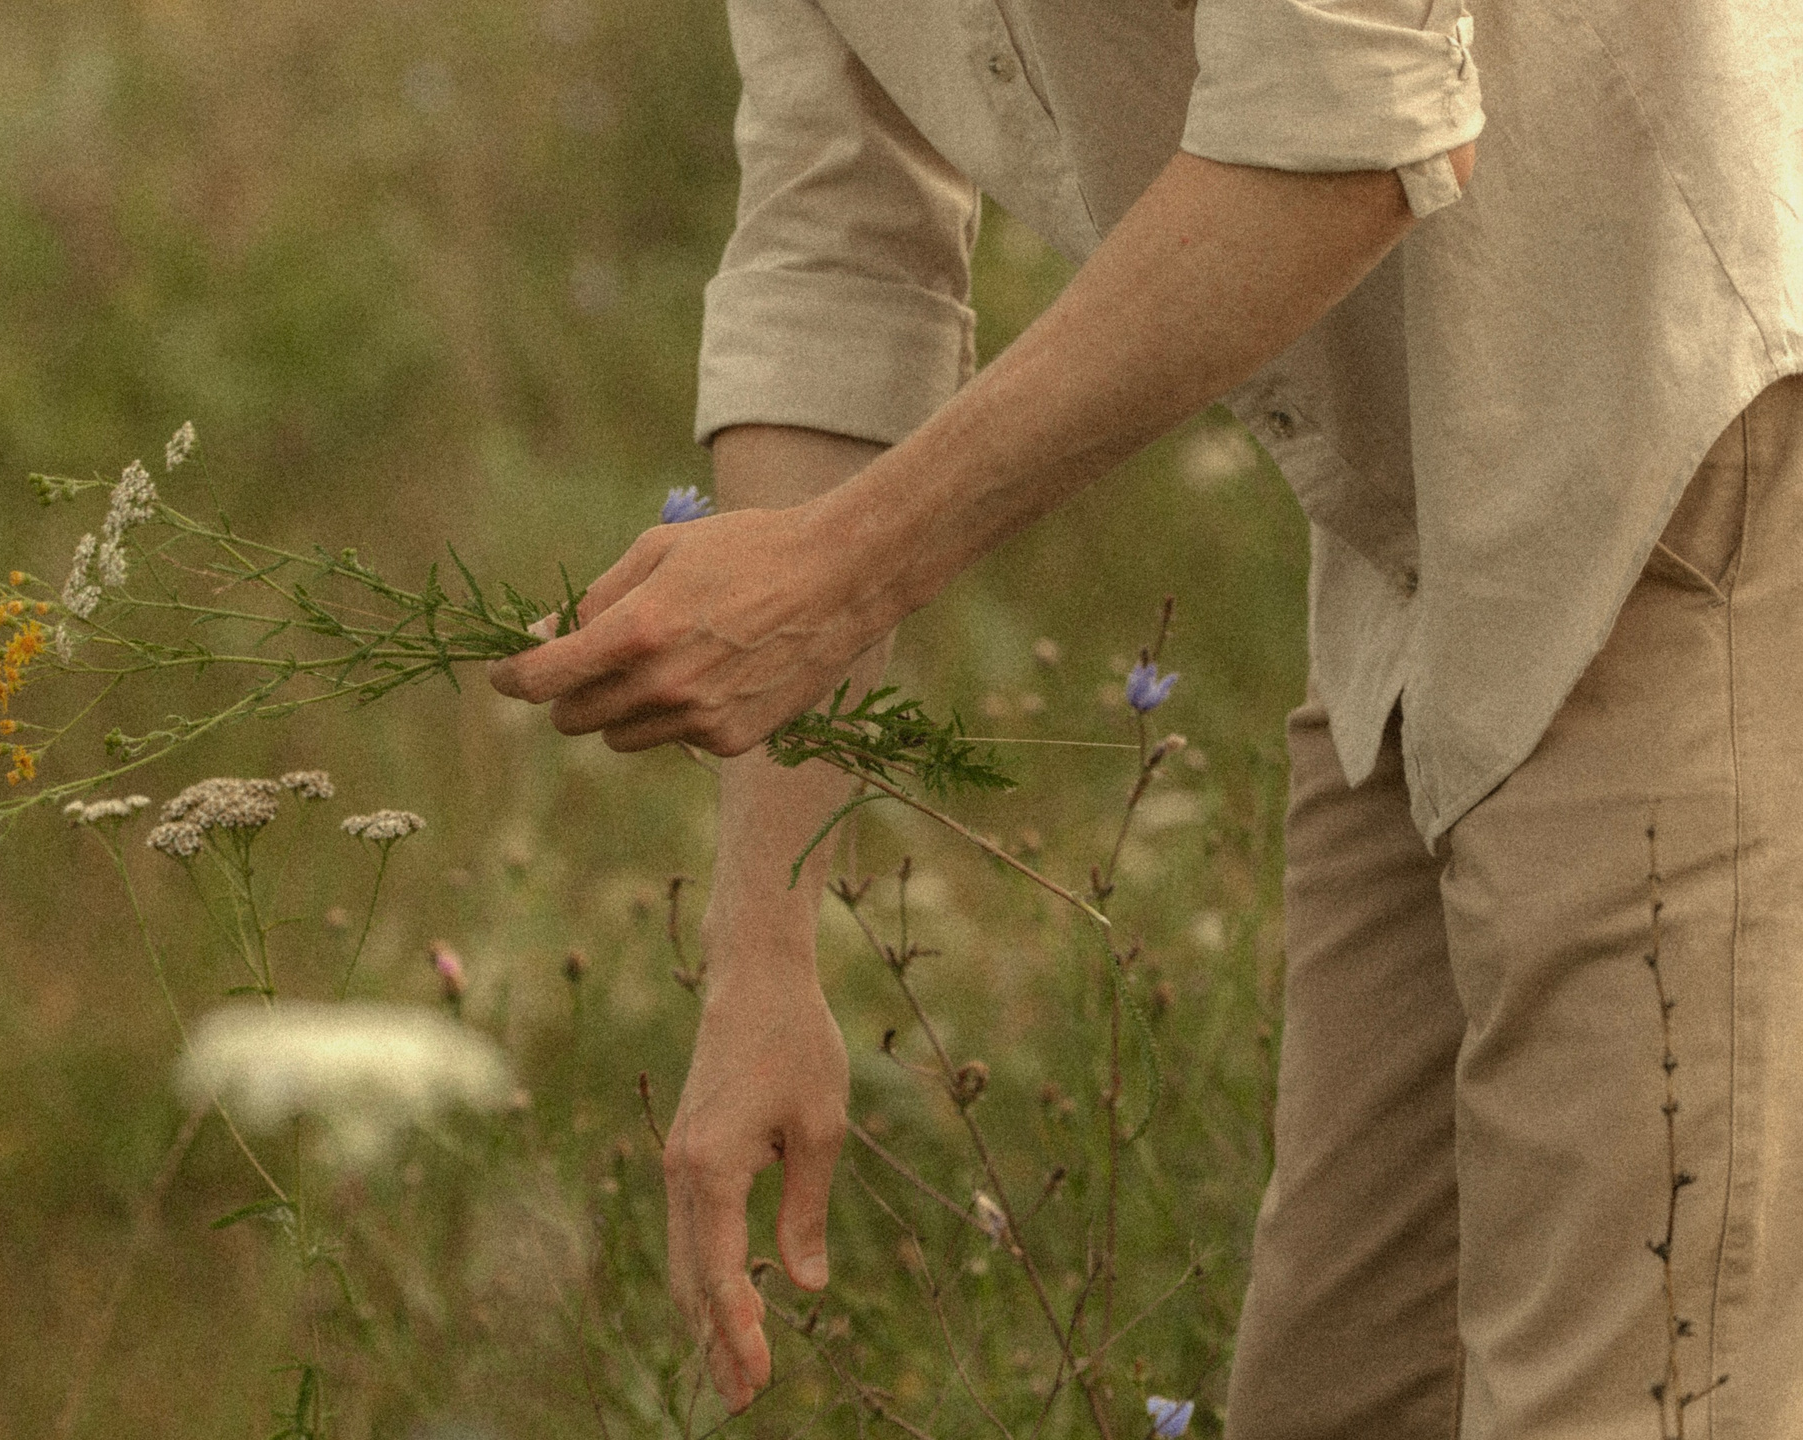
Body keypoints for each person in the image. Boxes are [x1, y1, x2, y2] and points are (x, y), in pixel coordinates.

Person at [487, 2, 1803, 1434]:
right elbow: (838, 260)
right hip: (1421, 549)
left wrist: (844, 565)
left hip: (1699, 443)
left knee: (1634, 1397)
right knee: (1340, 1397)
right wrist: (760, 946)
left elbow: (1347, 130)